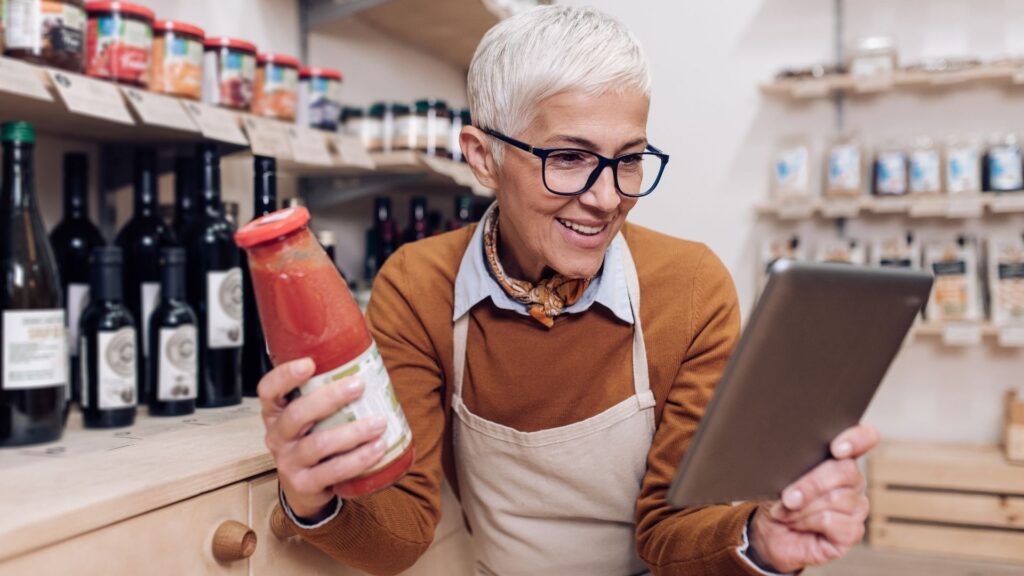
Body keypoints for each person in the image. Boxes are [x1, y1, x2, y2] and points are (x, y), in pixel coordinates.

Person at [258, 6, 876, 575]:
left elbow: (673, 529)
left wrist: (760, 541)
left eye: (628, 159)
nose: (606, 198)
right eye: (570, 158)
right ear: (482, 157)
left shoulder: (690, 289)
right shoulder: (419, 285)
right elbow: (401, 534)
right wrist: (313, 497)